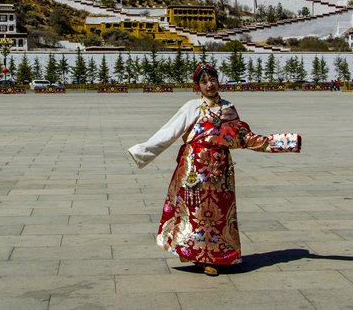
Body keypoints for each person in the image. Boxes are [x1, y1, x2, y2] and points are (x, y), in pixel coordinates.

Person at [128, 64, 301, 276]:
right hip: (194, 168)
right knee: (194, 214)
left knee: (218, 215)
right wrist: (142, 152)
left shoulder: (229, 108)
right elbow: (169, 133)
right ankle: (199, 257)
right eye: (204, 82)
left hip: (220, 170)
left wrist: (285, 143)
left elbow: (243, 138)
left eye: (212, 80)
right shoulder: (192, 107)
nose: (209, 85)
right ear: (197, 86)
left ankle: (217, 256)